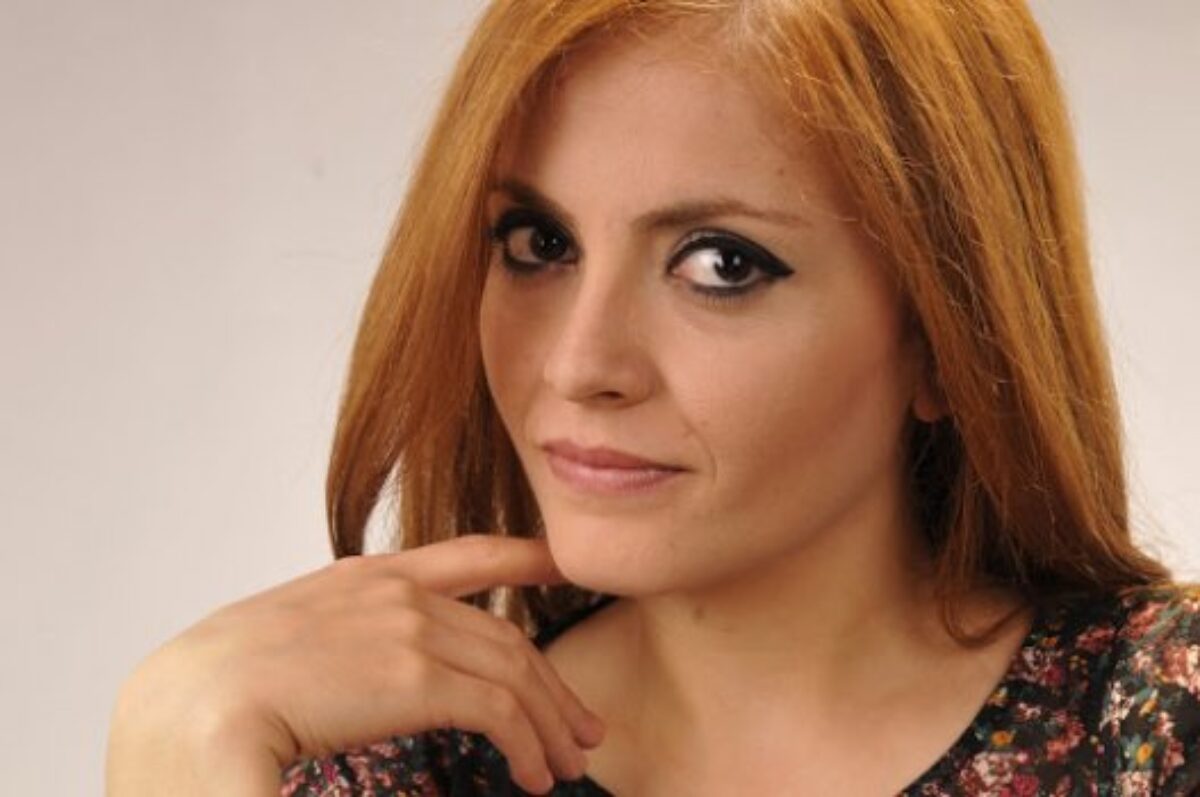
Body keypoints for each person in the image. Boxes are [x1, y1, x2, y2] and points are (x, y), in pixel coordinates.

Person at [106, 1, 1200, 795]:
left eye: (721, 263)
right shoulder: (384, 772)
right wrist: (167, 747)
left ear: (943, 341)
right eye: (537, 243)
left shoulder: (1157, 723)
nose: (578, 363)